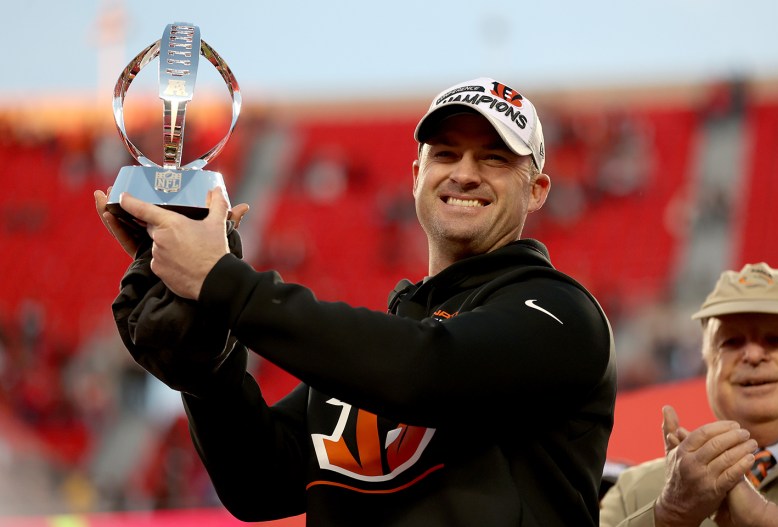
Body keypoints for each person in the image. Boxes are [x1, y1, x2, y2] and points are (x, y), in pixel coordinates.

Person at [94, 77, 616, 526]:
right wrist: (206, 372)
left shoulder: (560, 314)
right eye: (446, 154)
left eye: (495, 158)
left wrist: (223, 284)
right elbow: (260, 484)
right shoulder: (375, 353)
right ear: (416, 176)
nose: (464, 173)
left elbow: (425, 369)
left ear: (538, 189)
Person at [599, 262, 778, 527]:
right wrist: (669, 515)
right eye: (731, 342)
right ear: (707, 360)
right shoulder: (636, 489)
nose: (751, 355)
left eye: (776, 340)